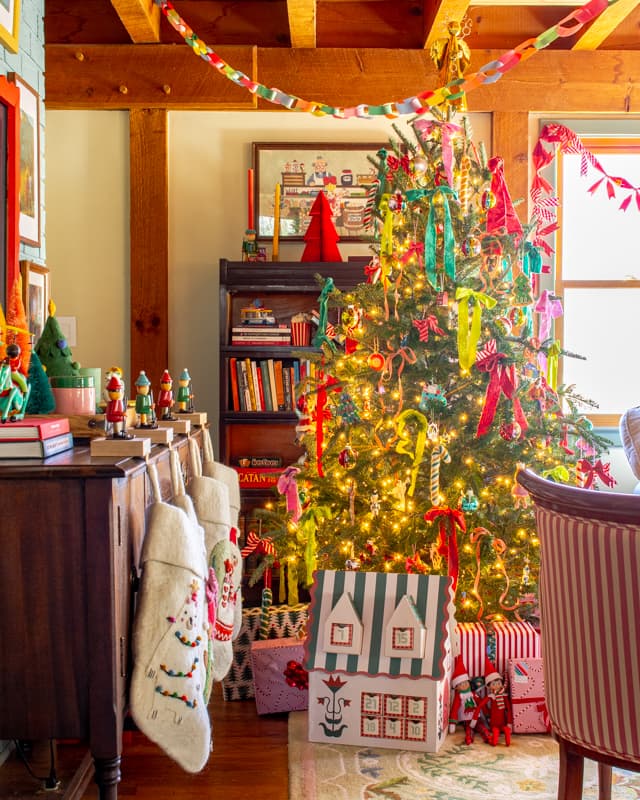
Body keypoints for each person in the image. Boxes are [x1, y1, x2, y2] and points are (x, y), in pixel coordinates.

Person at [448, 655, 490, 745]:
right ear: (456, 687)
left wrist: (487, 714)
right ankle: (469, 738)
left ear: (468, 682)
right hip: (466, 719)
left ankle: (488, 737)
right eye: (461, 684)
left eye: (465, 682)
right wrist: (452, 723)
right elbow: (455, 709)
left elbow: (481, 703)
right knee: (468, 729)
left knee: (482, 727)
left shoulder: (473, 694)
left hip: (477, 717)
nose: (464, 685)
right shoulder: (459, 697)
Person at [472, 658, 513, 746]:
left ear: (501, 683)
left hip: (503, 722)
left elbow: (509, 709)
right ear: (489, 687)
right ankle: (495, 741)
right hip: (493, 723)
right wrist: (474, 719)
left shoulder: (504, 696)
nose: (497, 685)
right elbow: (480, 706)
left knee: (506, 729)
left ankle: (507, 741)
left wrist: (509, 722)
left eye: (498, 683)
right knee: (495, 731)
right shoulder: (491, 696)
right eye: (494, 684)